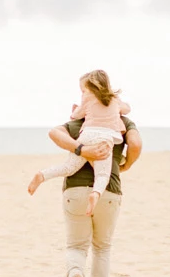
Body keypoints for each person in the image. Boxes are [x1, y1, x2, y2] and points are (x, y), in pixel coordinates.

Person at [44, 105, 142, 277]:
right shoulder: (122, 122)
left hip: (75, 191)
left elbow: (54, 133)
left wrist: (79, 149)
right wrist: (126, 164)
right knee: (102, 248)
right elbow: (135, 143)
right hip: (108, 191)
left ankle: (76, 273)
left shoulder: (78, 124)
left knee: (76, 246)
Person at [28, 69, 130, 208]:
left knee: (69, 167)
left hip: (86, 134)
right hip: (105, 138)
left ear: (91, 88)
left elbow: (76, 115)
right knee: (102, 175)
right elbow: (126, 110)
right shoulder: (115, 100)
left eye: (83, 90)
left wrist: (75, 111)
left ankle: (42, 175)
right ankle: (95, 194)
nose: (83, 94)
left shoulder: (87, 99)